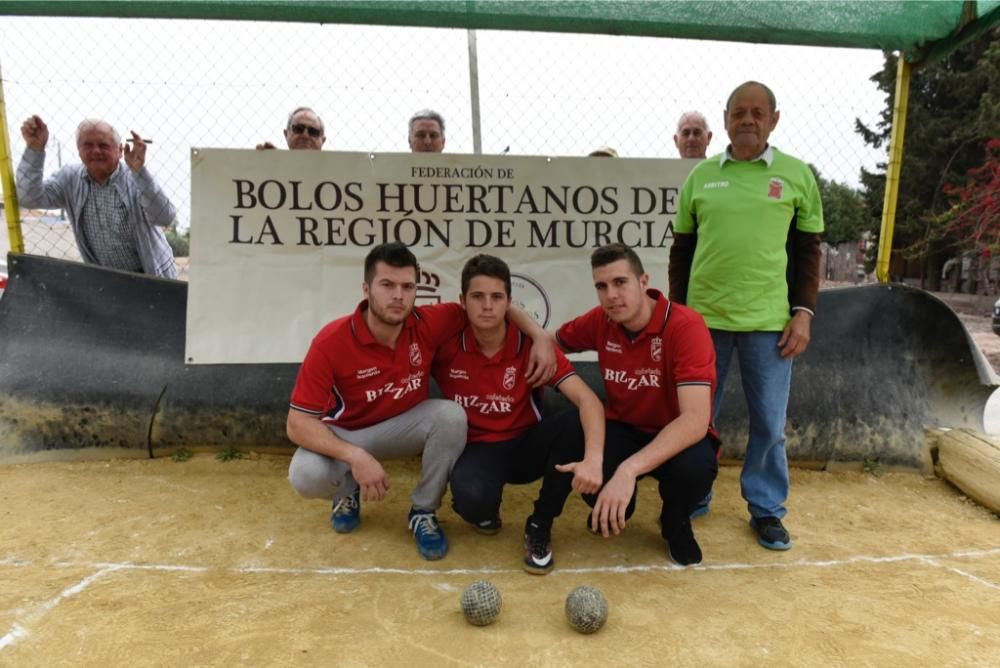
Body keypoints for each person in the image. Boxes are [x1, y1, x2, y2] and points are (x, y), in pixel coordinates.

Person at [286, 242, 555, 561]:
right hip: (350, 434)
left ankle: (423, 512)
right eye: (387, 285)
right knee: (304, 475)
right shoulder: (332, 341)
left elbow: (493, 304)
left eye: (407, 286)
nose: (398, 295)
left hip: (403, 428)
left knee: (451, 416)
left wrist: (539, 336)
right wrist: (355, 456)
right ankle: (347, 490)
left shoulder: (431, 322)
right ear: (366, 288)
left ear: (417, 290)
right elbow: (297, 424)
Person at [668, 81, 824, 551]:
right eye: (740, 111)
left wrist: (803, 313)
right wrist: (678, 315)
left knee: (769, 426)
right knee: (695, 418)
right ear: (726, 118)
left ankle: (767, 509)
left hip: (769, 324)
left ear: (774, 119)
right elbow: (682, 252)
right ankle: (692, 493)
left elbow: (808, 250)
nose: (748, 119)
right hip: (703, 324)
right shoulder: (700, 178)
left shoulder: (796, 176)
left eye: (758, 112)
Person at [523, 244, 719, 571]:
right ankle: (539, 522)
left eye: (620, 282)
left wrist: (627, 472)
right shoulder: (601, 321)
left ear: (643, 281)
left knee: (697, 467)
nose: (611, 295)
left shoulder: (685, 326)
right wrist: (532, 349)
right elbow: (548, 340)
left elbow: (696, 420)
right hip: (623, 430)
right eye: (602, 286)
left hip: (672, 435)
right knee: (572, 428)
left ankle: (675, 522)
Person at [432, 255, 605, 563]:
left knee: (573, 425)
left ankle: (540, 523)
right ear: (462, 301)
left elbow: (588, 400)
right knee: (473, 502)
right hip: (478, 448)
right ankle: (485, 509)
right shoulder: (444, 343)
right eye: (478, 297)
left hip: (526, 445)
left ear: (509, 302)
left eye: (497, 297)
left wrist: (593, 460)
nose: (487, 306)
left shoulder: (532, 346)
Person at [16, 116, 177, 278]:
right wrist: (34, 150)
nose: (96, 151)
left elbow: (165, 217)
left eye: (103, 145)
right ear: (79, 151)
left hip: (152, 277)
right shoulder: (69, 179)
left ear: (120, 150)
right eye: (88, 145)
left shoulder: (136, 177)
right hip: (107, 282)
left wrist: (140, 172)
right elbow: (29, 198)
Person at [256, 107, 326, 150]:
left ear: (322, 140)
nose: (305, 135)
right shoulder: (274, 163)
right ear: (286, 134)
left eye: (313, 132)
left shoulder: (334, 169)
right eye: (299, 129)